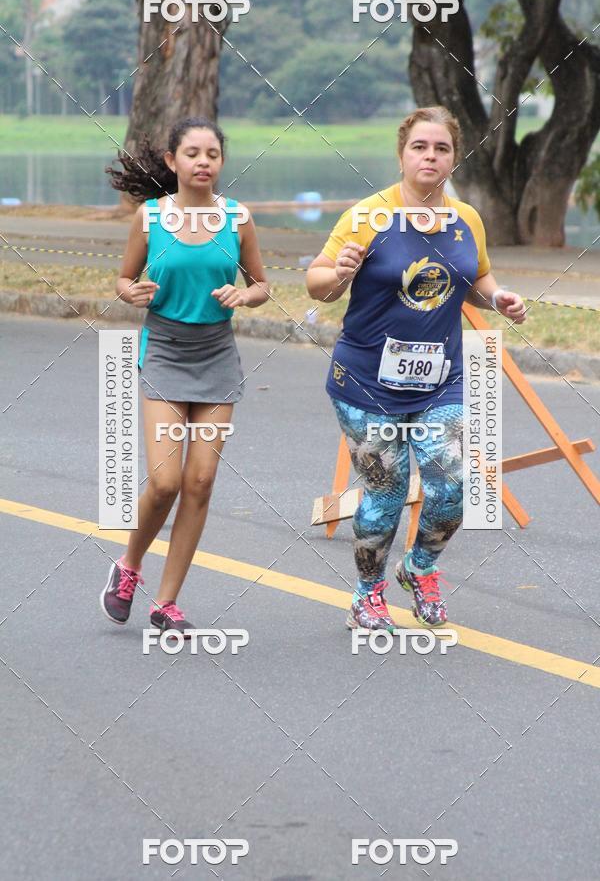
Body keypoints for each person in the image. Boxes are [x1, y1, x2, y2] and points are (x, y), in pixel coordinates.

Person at [306, 105, 526, 632]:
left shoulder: (465, 217)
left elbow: (476, 276)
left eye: (442, 148)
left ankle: (419, 569)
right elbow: (317, 285)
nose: (430, 156)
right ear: (402, 154)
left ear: (454, 156)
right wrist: (337, 271)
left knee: (452, 490)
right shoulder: (367, 216)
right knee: (386, 492)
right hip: (365, 383)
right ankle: (367, 592)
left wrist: (499, 298)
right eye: (420, 147)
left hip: (440, 381)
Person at [100, 116, 269, 634]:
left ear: (221, 163)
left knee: (200, 480)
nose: (203, 162)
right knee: (166, 479)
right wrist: (129, 292)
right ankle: (128, 566)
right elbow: (124, 279)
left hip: (216, 354)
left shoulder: (238, 219)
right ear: (172, 161)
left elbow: (263, 284)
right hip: (166, 352)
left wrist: (245, 295)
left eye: (212, 154)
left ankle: (166, 602)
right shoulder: (150, 219)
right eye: (192, 153)